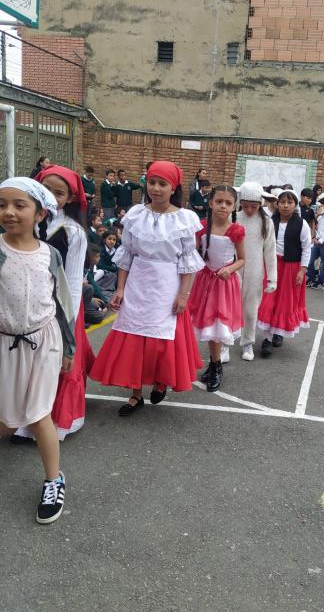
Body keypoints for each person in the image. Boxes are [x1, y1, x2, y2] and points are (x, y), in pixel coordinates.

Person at [90, 161, 205, 415]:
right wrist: (120, 289)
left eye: (162, 184)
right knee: (133, 337)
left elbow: (188, 263)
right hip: (138, 282)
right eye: (152, 182)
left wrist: (183, 295)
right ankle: (135, 394)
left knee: (161, 338)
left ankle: (161, 381)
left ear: (173, 187)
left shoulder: (184, 219)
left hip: (167, 284)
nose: (156, 188)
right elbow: (127, 256)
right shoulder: (135, 214)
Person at [0, 177, 75, 524]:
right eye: (2, 205)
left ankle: (53, 480)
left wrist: (69, 346)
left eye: (19, 205)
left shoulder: (50, 254)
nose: (9, 212)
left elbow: (63, 302)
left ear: (40, 213)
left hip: (45, 342)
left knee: (38, 414)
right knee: (6, 419)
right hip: (6, 343)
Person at [19, 165, 94, 441]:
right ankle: (21, 421)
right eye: (45, 189)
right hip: (25, 303)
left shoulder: (73, 232)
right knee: (24, 362)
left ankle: (55, 422)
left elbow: (72, 283)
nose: (50, 197)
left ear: (70, 198)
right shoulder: (23, 220)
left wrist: (68, 326)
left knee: (55, 362)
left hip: (60, 306)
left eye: (58, 193)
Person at [188, 186, 245, 391]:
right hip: (205, 281)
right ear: (210, 203)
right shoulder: (202, 227)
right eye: (219, 201)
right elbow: (192, 252)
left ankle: (216, 366)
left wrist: (229, 268)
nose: (223, 206)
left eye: (228, 203)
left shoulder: (236, 230)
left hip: (223, 284)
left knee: (218, 326)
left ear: (234, 207)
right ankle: (214, 364)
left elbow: (242, 259)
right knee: (207, 326)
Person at [257, 189, 311, 357]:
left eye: (290, 202)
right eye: (282, 202)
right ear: (277, 204)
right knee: (269, 299)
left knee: (284, 302)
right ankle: (267, 339)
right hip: (271, 265)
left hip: (291, 267)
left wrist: (302, 270)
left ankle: (278, 332)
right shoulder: (269, 221)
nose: (285, 206)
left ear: (295, 205)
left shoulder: (302, 224)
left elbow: (306, 248)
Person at [236, 182, 277, 362]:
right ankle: (225, 343)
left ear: (260, 203)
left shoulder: (266, 222)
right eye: (245, 206)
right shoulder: (233, 217)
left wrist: (272, 279)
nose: (249, 210)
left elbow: (270, 251)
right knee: (229, 307)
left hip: (255, 270)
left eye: (254, 206)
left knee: (251, 310)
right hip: (233, 268)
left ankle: (248, 342)